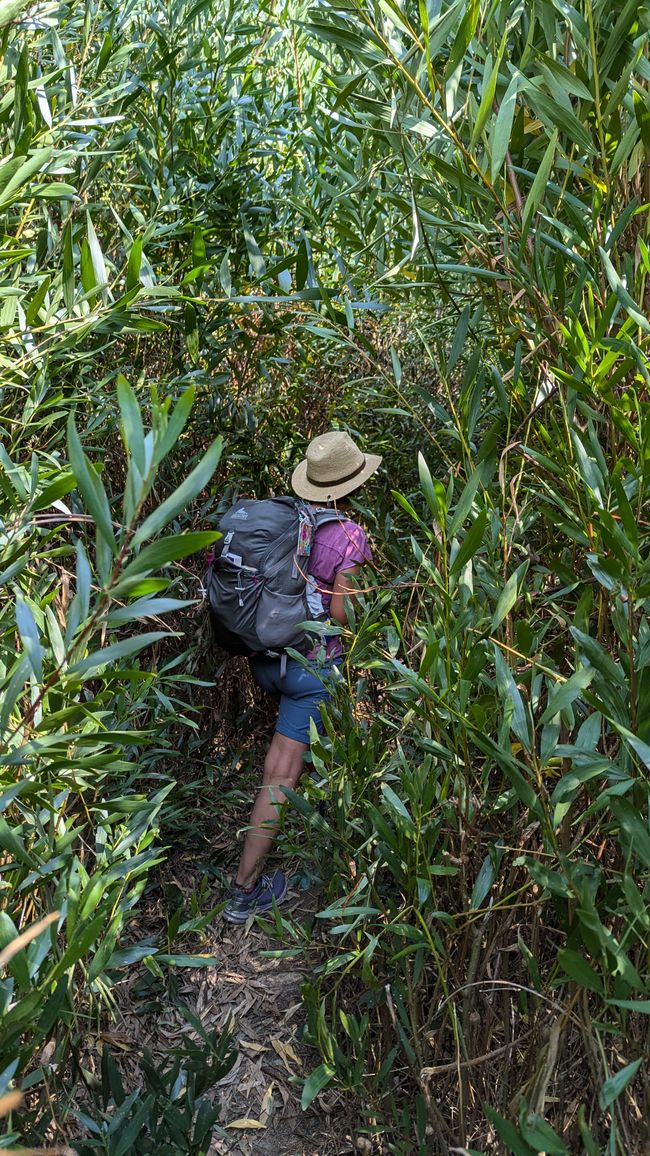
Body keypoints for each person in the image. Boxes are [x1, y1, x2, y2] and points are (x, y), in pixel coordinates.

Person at [222, 429, 381, 923]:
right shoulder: (349, 536)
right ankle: (243, 891)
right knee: (280, 775)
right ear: (354, 482)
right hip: (309, 671)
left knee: (289, 758)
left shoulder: (285, 520)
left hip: (264, 661)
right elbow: (341, 617)